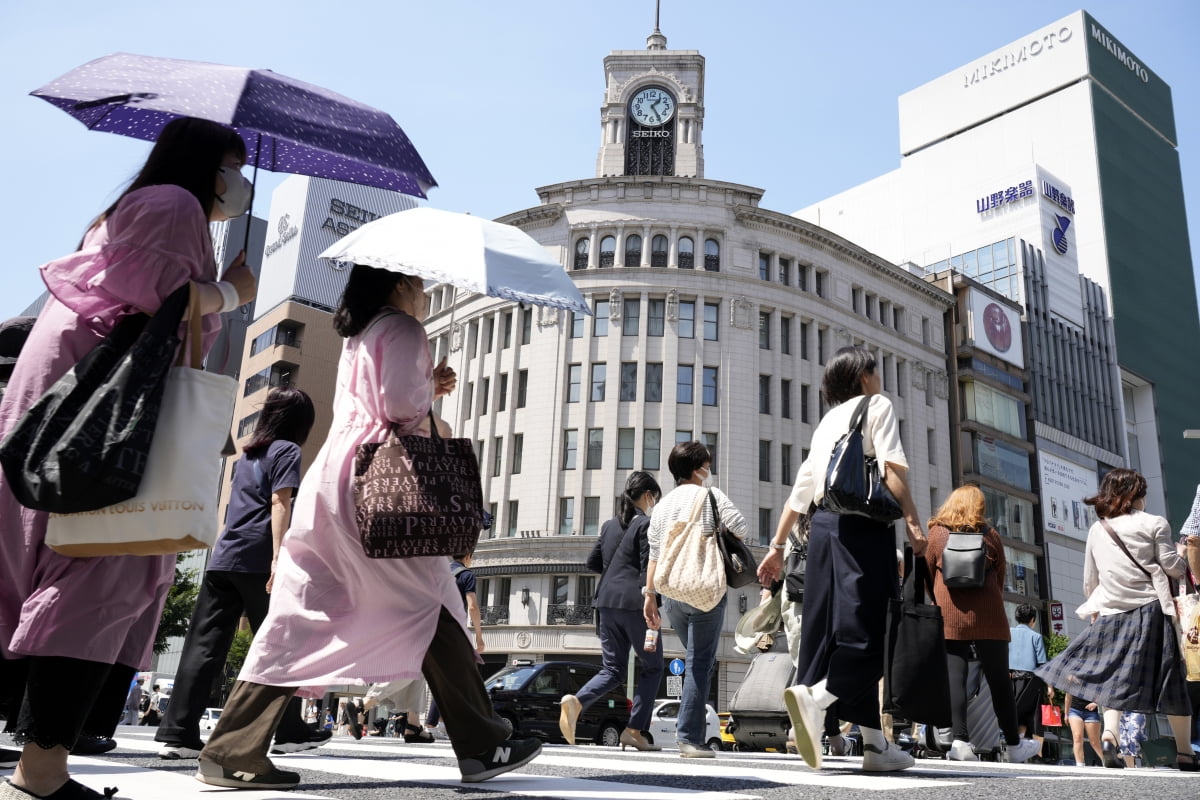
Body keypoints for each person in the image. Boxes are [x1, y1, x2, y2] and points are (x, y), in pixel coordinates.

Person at [196, 265, 541, 790]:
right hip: (383, 481)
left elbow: (380, 401)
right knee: (430, 597)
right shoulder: (402, 328)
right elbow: (403, 408)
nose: (424, 293)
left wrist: (428, 382)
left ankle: (230, 746)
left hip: (336, 476)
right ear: (399, 284)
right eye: (420, 284)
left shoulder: (360, 333)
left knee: (307, 610)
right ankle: (482, 743)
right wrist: (427, 387)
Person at [0, 116, 255, 800]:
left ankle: (40, 760)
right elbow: (161, 303)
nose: (240, 181)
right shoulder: (174, 207)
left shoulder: (130, 206)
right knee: (99, 572)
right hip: (107, 411)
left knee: (38, 568)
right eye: (235, 164)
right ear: (207, 163)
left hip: (66, 396)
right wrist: (234, 293)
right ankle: (42, 769)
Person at [757, 345, 927, 772]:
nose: (880, 378)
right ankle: (817, 699)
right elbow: (892, 472)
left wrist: (776, 548)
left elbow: (801, 489)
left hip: (822, 533)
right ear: (865, 375)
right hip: (863, 528)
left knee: (831, 631)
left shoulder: (828, 421)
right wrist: (914, 525)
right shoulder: (877, 405)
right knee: (873, 632)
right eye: (877, 369)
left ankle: (874, 744)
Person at [155, 387, 327, 760]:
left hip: (224, 556)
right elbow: (280, 501)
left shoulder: (247, 457)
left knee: (203, 646)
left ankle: (179, 734)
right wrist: (278, 556)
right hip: (258, 556)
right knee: (281, 643)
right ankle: (288, 731)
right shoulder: (287, 451)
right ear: (301, 422)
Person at [1035, 468, 1194, 770]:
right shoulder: (1154, 523)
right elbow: (1172, 568)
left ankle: (1109, 737)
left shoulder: (1099, 529)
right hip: (1151, 611)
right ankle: (1185, 752)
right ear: (1136, 494)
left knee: (1113, 677)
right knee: (1170, 680)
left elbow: (1089, 580)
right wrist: (1182, 552)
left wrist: (1096, 609)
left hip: (1110, 612)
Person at [643, 442, 747, 758]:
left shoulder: (661, 506)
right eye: (708, 464)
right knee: (699, 663)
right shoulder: (711, 495)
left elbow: (655, 554)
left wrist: (650, 597)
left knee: (696, 662)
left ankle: (692, 732)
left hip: (672, 592)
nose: (710, 468)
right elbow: (742, 529)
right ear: (698, 468)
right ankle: (689, 737)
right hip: (704, 589)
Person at [922, 486, 1039, 763]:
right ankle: (1013, 746)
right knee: (1000, 682)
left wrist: (940, 599)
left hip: (950, 615)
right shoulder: (990, 535)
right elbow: (999, 578)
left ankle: (960, 741)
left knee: (956, 680)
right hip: (989, 616)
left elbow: (927, 574)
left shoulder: (938, 534)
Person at [561, 472, 664, 751]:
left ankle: (577, 701)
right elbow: (648, 566)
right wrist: (651, 599)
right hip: (636, 603)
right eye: (655, 497)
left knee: (613, 669)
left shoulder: (608, 526)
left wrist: (615, 572)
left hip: (605, 602)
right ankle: (633, 730)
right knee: (653, 667)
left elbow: (593, 562)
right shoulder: (646, 524)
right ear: (648, 495)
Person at [1009, 603, 1051, 755]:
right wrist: (1050, 686)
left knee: (1017, 714)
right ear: (1033, 619)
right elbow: (1042, 664)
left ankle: (1016, 747)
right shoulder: (1036, 636)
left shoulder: (1009, 633)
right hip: (1032, 681)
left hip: (1012, 679)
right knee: (1034, 718)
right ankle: (1036, 754)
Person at [1065, 693, 1103, 766]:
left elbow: (1103, 693)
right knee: (1077, 737)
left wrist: (1096, 703)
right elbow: (1068, 697)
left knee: (1095, 742)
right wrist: (1066, 714)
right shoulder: (1071, 681)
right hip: (1074, 711)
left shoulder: (1096, 681)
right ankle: (1080, 765)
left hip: (1091, 713)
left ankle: (1107, 761)